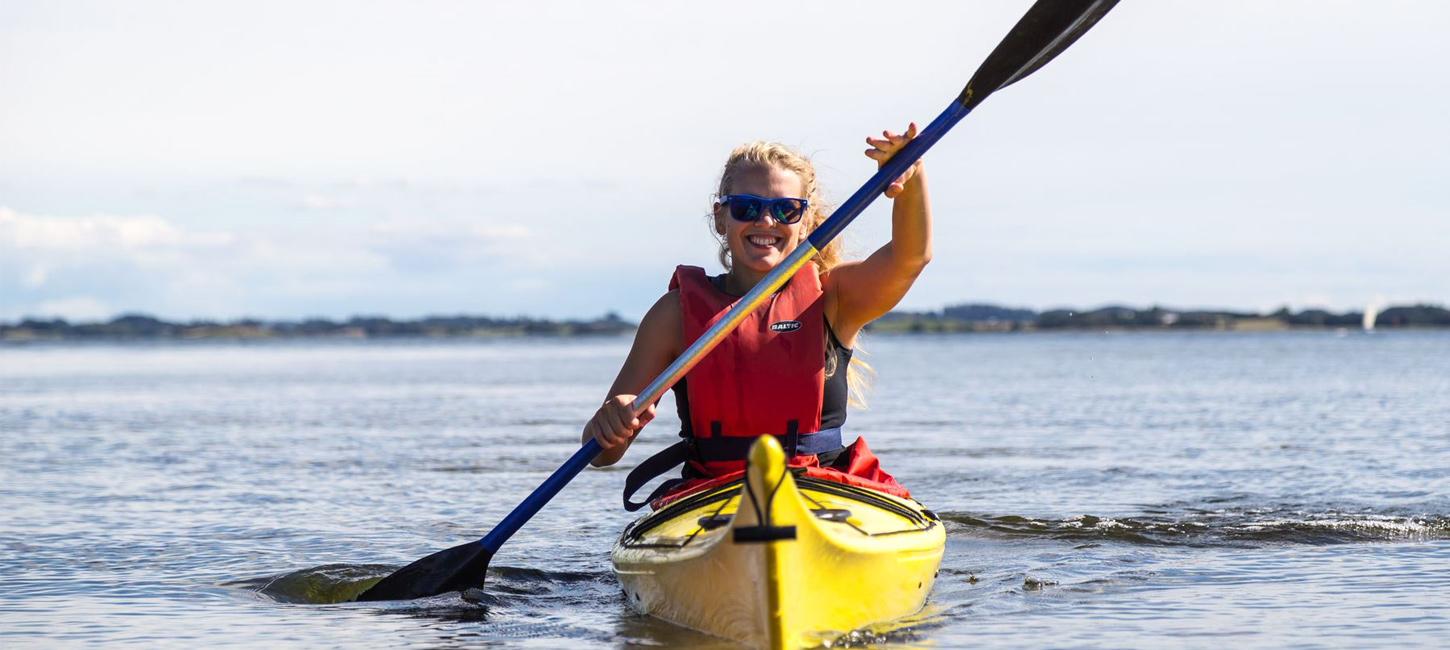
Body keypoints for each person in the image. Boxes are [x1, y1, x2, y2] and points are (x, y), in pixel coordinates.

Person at [582, 123, 931, 510]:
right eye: (747, 208)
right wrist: (611, 421)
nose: (766, 221)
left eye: (785, 210)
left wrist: (911, 180)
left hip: (823, 489)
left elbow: (910, 257)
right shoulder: (673, 315)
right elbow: (601, 454)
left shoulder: (835, 298)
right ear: (720, 218)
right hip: (712, 495)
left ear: (805, 224)